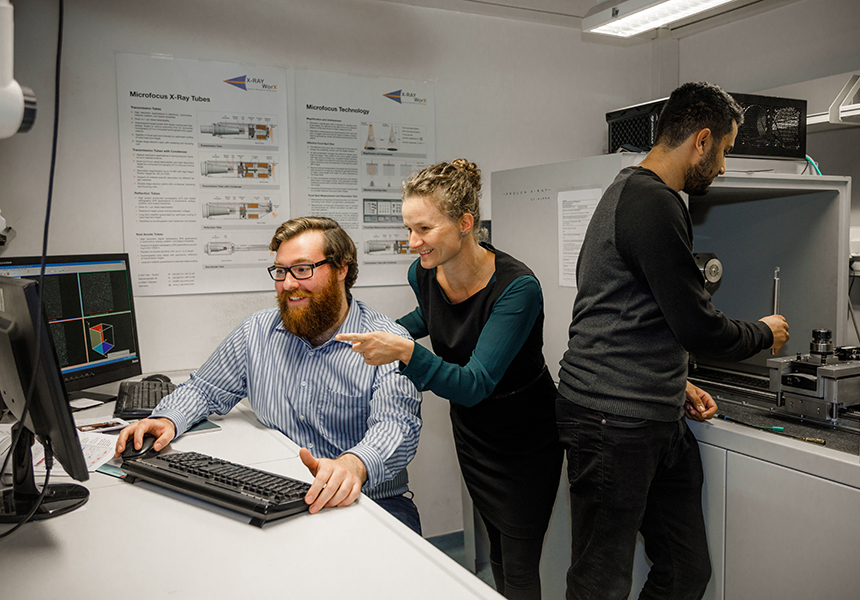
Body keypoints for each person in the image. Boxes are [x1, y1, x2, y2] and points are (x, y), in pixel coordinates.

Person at [556, 82, 791, 600]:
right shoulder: (651, 201)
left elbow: (633, 309)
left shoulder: (636, 194)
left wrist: (673, 380)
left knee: (686, 569)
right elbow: (697, 325)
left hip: (651, 413)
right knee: (600, 581)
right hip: (610, 419)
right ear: (701, 141)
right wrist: (763, 332)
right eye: (726, 150)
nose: (724, 166)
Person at [337, 159, 562, 600]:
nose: (412, 243)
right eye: (408, 230)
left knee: (518, 564)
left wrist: (404, 351)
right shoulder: (422, 272)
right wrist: (384, 333)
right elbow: (433, 316)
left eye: (423, 229)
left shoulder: (517, 289)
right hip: (475, 434)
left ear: (464, 223)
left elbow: (474, 382)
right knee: (496, 550)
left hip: (525, 440)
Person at [115, 217, 423, 533]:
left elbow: (397, 424)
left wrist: (355, 464)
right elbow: (205, 388)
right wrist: (168, 419)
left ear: (342, 269)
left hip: (368, 502)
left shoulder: (387, 340)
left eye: (303, 269)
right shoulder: (258, 331)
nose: (288, 283)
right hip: (280, 496)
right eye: (280, 270)